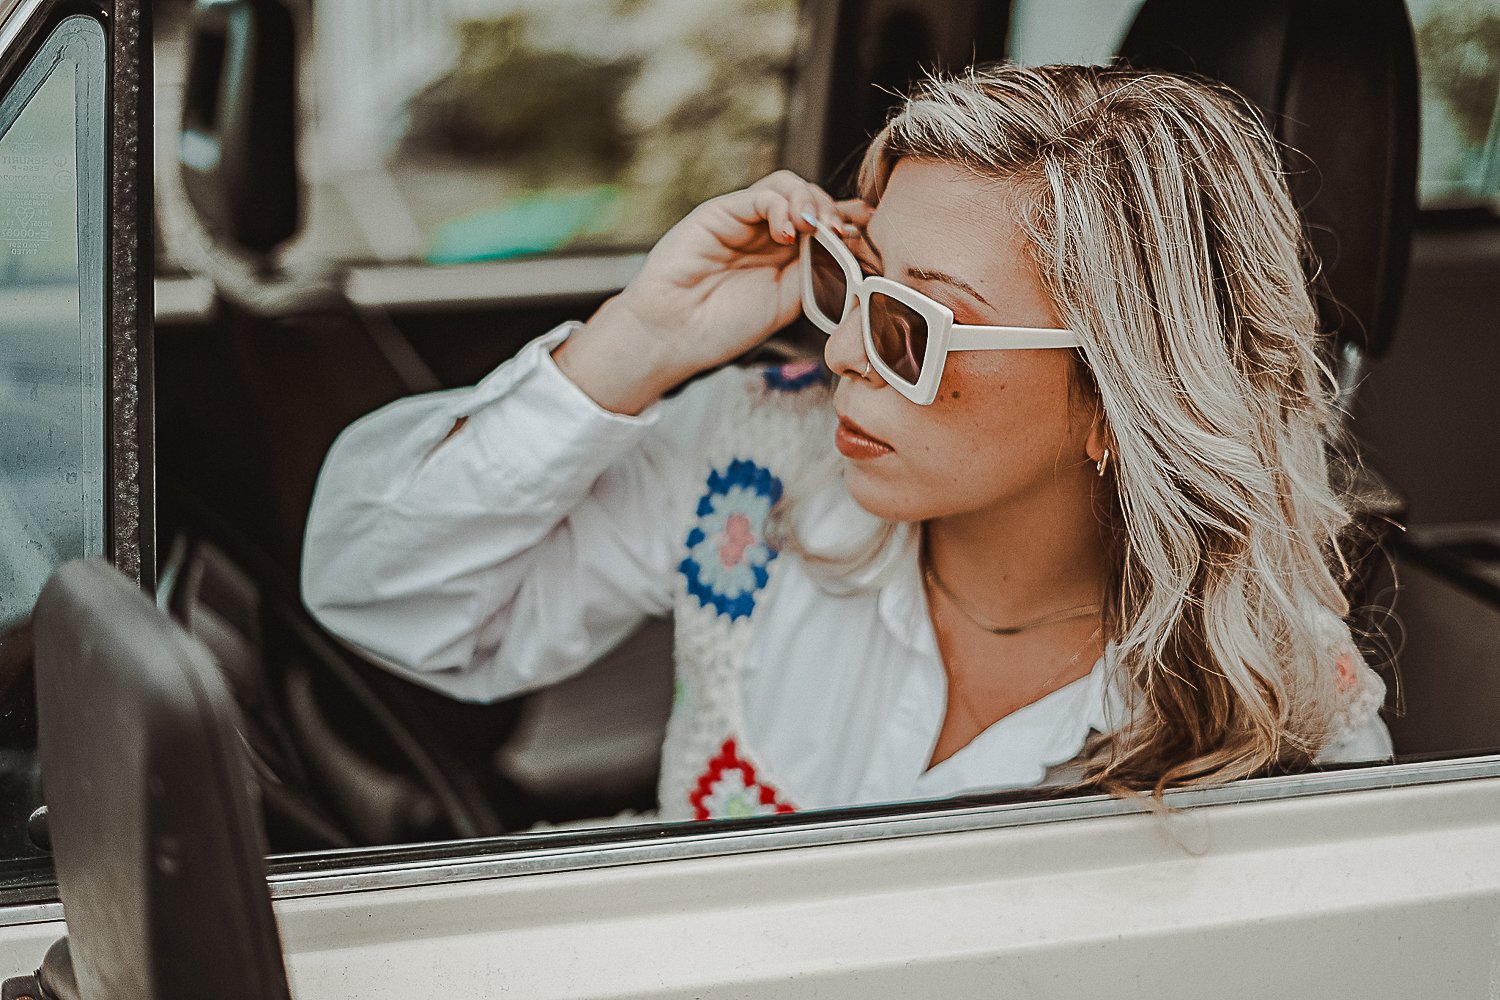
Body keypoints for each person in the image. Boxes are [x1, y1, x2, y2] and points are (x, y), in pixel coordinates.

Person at [302, 63, 1391, 822]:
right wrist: (639, 339)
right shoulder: (760, 459)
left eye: (913, 324)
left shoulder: (1284, 705)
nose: (843, 359)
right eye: (850, 287)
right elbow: (378, 585)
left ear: (1121, 397)